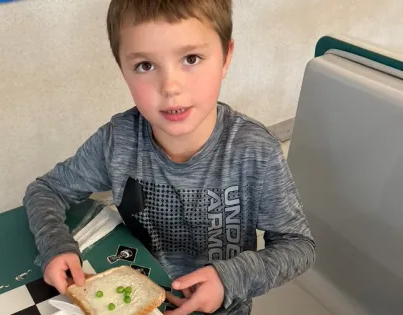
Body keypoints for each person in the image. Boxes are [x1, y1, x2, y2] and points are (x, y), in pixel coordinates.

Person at [23, 0, 316, 314]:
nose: (170, 87)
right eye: (145, 66)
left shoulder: (255, 152)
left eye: (191, 58)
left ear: (226, 58)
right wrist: (56, 246)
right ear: (122, 69)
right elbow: (45, 190)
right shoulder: (117, 140)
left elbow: (298, 247)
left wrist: (228, 279)